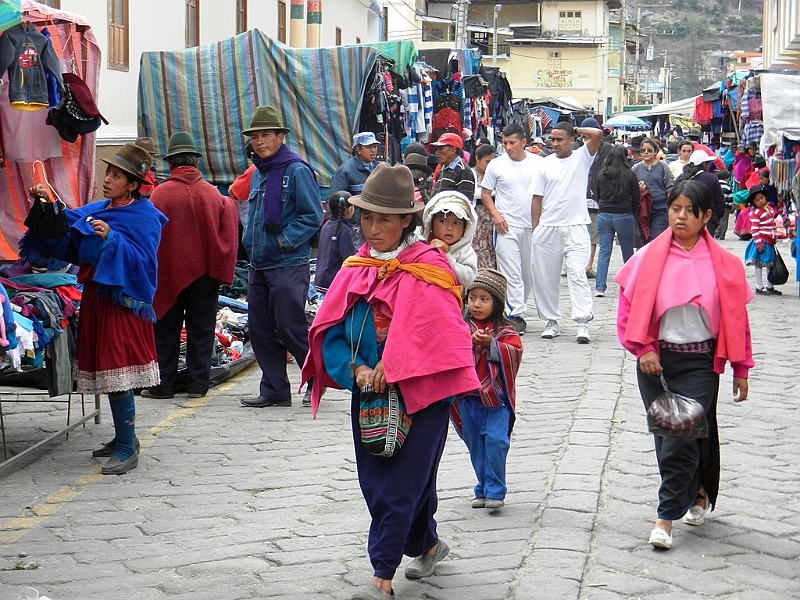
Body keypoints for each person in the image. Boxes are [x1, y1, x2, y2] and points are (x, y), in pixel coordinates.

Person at [300, 163, 479, 600]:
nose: (373, 227)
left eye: (384, 219)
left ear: (407, 222)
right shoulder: (356, 267)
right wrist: (356, 369)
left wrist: (396, 364)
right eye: (367, 217)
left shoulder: (431, 267)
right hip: (370, 392)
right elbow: (334, 332)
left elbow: (439, 331)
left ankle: (382, 575)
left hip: (424, 393)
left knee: (400, 483)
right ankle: (428, 544)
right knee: (375, 481)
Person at [614, 179, 754, 550]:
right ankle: (698, 491)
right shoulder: (647, 257)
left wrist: (741, 368)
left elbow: (738, 319)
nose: (680, 216)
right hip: (656, 363)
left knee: (680, 434)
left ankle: (665, 518)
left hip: (700, 363)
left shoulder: (725, 265)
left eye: (689, 211)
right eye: (675, 208)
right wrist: (643, 348)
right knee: (671, 436)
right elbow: (627, 308)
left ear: (706, 216)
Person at [20, 143, 167, 475]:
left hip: (125, 304)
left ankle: (128, 447)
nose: (108, 179)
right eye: (108, 172)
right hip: (99, 299)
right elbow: (67, 227)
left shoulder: (145, 217)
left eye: (117, 175)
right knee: (106, 368)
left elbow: (144, 261)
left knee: (119, 371)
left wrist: (112, 238)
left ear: (133, 184)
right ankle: (122, 438)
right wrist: (46, 203)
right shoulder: (101, 208)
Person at [239, 105, 323, 408]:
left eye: (266, 135)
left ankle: (315, 379)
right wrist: (250, 243)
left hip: (287, 263)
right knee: (259, 329)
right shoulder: (259, 173)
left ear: (279, 137)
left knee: (290, 327)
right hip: (259, 264)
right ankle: (274, 388)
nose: (259, 142)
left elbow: (312, 216)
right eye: (255, 137)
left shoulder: (296, 170)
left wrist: (284, 241)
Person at [144, 131, 239, 400]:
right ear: (194, 162)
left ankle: (163, 386)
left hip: (170, 273)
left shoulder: (160, 195)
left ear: (172, 163)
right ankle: (198, 386)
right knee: (202, 330)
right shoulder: (212, 193)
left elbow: (150, 236)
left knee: (165, 330)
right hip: (206, 275)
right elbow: (228, 234)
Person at [449, 268, 522, 511]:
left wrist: (492, 345)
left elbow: (514, 352)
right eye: (473, 298)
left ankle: (495, 489)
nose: (477, 304)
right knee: (475, 444)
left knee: (496, 441)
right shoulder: (460, 325)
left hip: (495, 400)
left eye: (484, 299)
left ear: (497, 303)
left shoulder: (505, 332)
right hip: (467, 399)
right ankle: (482, 486)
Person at [529, 120, 603, 343]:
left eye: (560, 139)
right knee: (545, 277)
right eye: (552, 139)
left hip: (576, 225)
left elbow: (597, 133)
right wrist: (536, 229)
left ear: (572, 140)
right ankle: (551, 321)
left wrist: (575, 129)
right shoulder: (544, 164)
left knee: (577, 273)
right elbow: (536, 198)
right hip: (548, 227)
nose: (554, 143)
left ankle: (582, 322)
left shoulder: (581, 158)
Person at [480, 123, 542, 334]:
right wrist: (496, 215)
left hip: (532, 226)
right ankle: (515, 313)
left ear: (524, 142)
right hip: (506, 225)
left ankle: (518, 309)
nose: (508, 147)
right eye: (504, 143)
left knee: (527, 272)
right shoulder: (496, 165)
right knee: (511, 271)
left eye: (512, 142)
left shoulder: (538, 164)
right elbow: (486, 193)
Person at [592, 145, 640, 298]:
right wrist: (631, 211)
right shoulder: (629, 174)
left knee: (604, 252)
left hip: (604, 214)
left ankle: (600, 287)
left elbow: (597, 195)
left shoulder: (602, 174)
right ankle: (629, 284)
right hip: (624, 213)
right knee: (627, 251)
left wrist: (603, 206)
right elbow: (636, 197)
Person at [422, 190, 478, 287]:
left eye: (456, 223)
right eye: (442, 221)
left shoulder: (465, 252)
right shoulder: (422, 245)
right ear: (431, 223)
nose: (449, 228)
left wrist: (447, 256)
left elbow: (469, 280)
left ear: (465, 228)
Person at [314, 190, 359, 295]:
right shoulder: (344, 231)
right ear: (348, 210)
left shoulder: (326, 226)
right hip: (333, 282)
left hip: (321, 279)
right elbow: (349, 258)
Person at [677, 150, 726, 237]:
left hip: (684, 219)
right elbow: (720, 201)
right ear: (704, 164)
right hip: (707, 220)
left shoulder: (681, 178)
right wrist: (716, 217)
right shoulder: (711, 178)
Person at [632, 138, 674, 241]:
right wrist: (638, 189)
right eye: (643, 150)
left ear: (655, 151)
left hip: (660, 208)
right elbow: (630, 189)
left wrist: (671, 209)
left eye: (649, 150)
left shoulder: (663, 166)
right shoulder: (635, 168)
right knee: (644, 239)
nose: (646, 152)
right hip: (642, 208)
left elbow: (669, 188)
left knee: (655, 238)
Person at [743, 184, 780, 296]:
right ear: (753, 202)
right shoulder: (755, 213)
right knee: (759, 264)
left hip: (769, 241)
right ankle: (759, 286)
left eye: (762, 198)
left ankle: (769, 285)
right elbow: (754, 230)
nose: (760, 201)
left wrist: (775, 236)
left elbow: (772, 224)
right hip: (761, 241)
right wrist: (759, 244)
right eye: (757, 200)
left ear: (765, 197)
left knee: (770, 264)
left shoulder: (769, 209)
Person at [469, 143, 497, 269]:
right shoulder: (471, 174)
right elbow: (473, 193)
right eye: (487, 162)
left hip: (491, 219)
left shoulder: (493, 175)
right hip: (478, 217)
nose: (489, 165)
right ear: (477, 159)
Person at [330, 131, 380, 195]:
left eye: (375, 146)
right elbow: (334, 197)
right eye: (368, 147)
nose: (373, 150)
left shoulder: (380, 168)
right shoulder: (345, 170)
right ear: (358, 150)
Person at [430, 132, 475, 199]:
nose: (437, 152)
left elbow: (465, 202)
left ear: (452, 150)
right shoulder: (441, 171)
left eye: (441, 149)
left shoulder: (463, 171)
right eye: (436, 149)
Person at [714, 169, 733, 240]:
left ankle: (716, 232)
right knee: (724, 221)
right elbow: (730, 197)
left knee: (716, 219)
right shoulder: (728, 187)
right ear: (727, 178)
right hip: (725, 206)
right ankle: (722, 234)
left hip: (715, 205)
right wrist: (730, 206)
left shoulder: (715, 185)